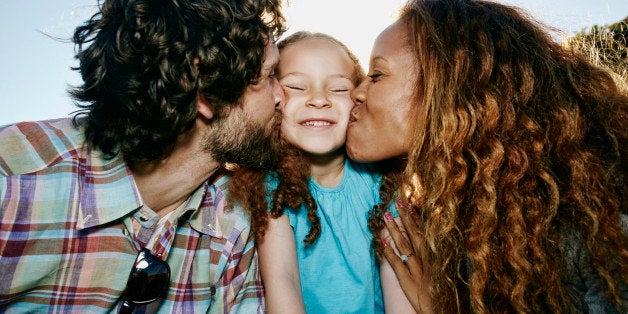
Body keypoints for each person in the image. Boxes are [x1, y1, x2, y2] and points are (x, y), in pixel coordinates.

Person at [0, 0, 285, 312]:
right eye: (267, 76)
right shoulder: (14, 178)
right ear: (199, 88)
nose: (281, 96)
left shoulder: (231, 229)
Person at [346, 0, 628, 312]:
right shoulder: (450, 218)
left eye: (377, 74)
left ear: (451, 91)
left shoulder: (598, 231)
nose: (357, 92)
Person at [254, 31, 413, 313]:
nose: (319, 100)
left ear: (359, 99)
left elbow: (400, 282)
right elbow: (283, 282)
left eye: (339, 89)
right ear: (275, 97)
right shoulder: (269, 186)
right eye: (298, 87)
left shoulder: (382, 182)